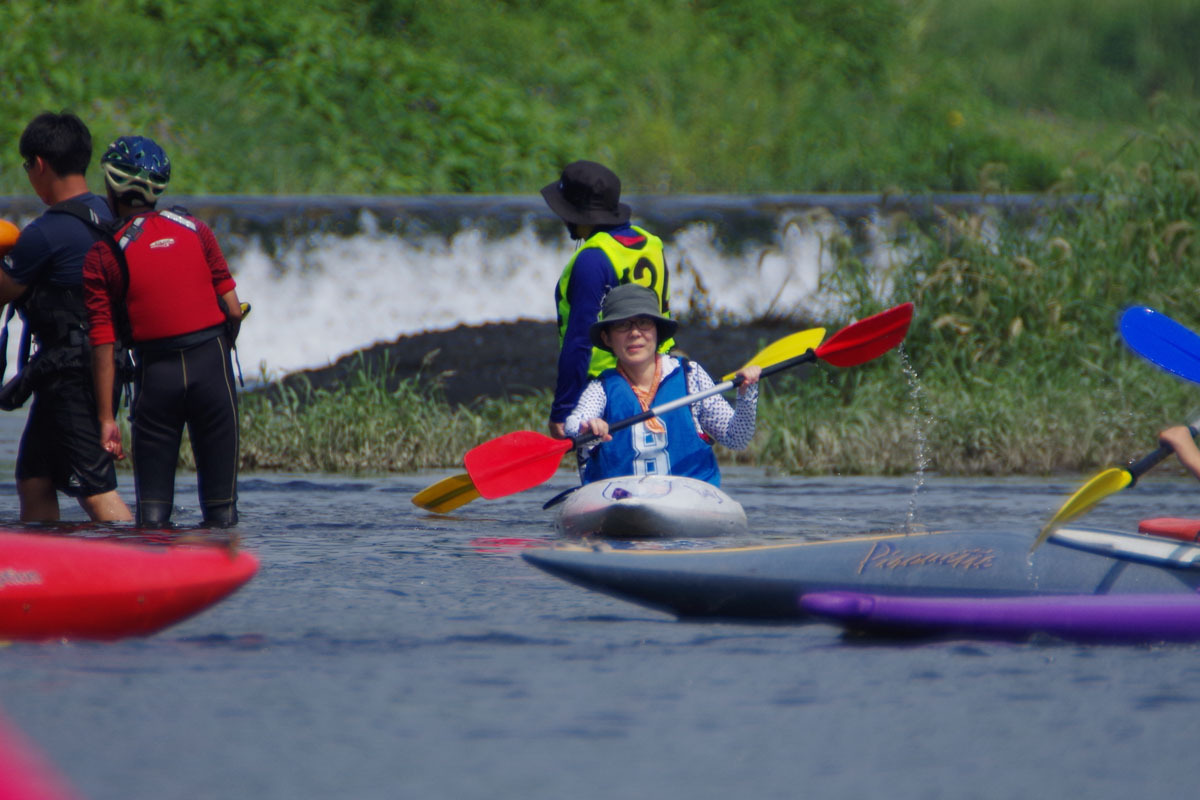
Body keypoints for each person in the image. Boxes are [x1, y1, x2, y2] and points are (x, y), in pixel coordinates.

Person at [83, 135, 244, 527]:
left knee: (152, 517)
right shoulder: (195, 229)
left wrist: (107, 418)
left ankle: (153, 584)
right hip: (213, 369)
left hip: (157, 377)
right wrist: (222, 346)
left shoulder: (104, 252)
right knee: (222, 512)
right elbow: (233, 309)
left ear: (110, 184)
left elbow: (102, 341)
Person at [0, 112, 132, 522]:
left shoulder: (44, 233)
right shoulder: (110, 216)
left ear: (39, 164)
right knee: (34, 478)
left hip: (71, 374)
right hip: (103, 363)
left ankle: (144, 562)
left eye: (27, 167)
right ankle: (46, 566)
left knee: (96, 490)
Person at [564, 284, 761, 487]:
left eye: (643, 323)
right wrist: (586, 427)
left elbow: (736, 438)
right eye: (622, 325)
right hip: (620, 499)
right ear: (607, 337)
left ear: (657, 331)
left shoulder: (691, 376)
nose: (634, 333)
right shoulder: (601, 389)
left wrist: (747, 394)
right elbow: (573, 424)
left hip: (691, 498)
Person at [542, 160, 673, 439]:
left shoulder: (592, 259)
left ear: (577, 213)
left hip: (606, 388)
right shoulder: (652, 244)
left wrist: (563, 411)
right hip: (659, 379)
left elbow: (579, 341)